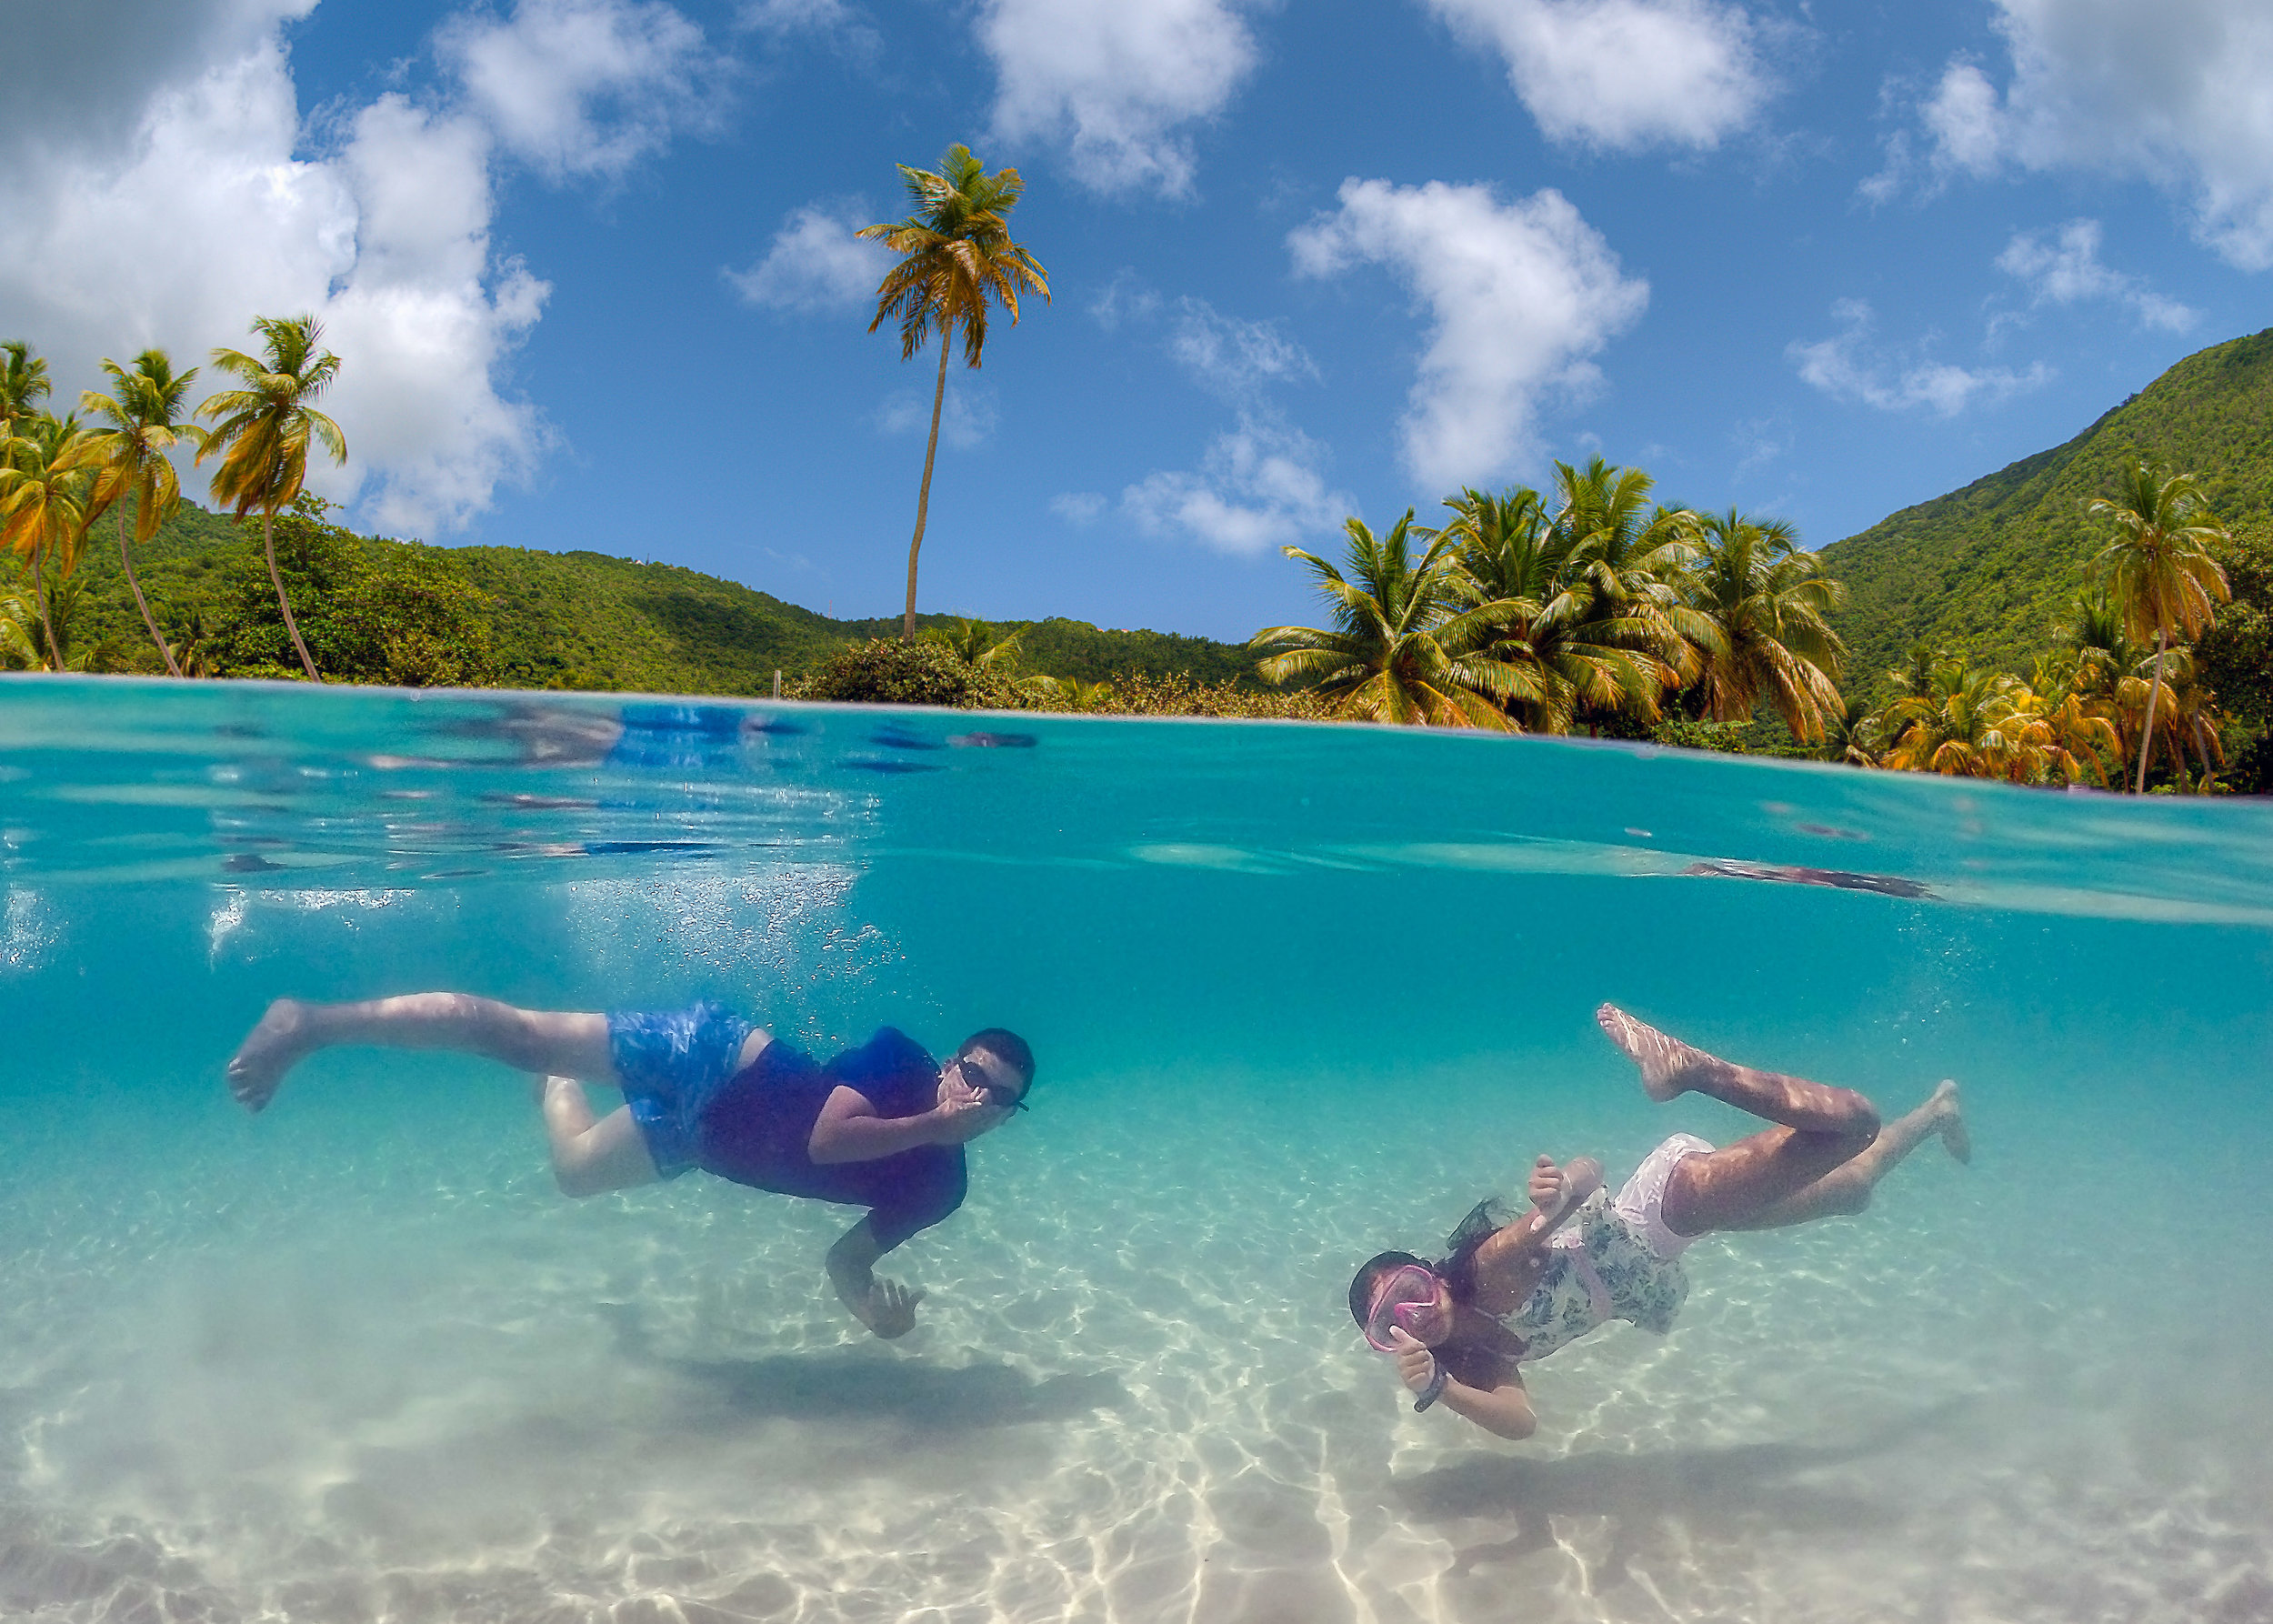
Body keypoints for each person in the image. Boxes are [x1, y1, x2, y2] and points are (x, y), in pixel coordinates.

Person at [226, 994, 1035, 1338]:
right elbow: (828, 1141)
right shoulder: (900, 1060)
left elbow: (847, 1257)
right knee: (522, 1035)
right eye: (973, 1076)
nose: (979, 1101)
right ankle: (312, 1023)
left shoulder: (943, 1188)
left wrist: (871, 1314)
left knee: (574, 1172)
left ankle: (558, 1090)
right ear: (950, 1063)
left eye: (1001, 1101)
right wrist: (937, 1122)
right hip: (715, 1061)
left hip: (705, 1144)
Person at [1348, 1003, 1968, 1439]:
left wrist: (1562, 1191)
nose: (1414, 1315)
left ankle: (1694, 1072)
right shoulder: (1474, 1357)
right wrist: (1439, 1388)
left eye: (1409, 1293)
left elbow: (1590, 1178)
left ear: (1430, 1275)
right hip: (1669, 1247)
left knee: (1851, 1123)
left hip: (1656, 1214)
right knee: (1851, 1188)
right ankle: (1937, 1112)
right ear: (1387, 1343)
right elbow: (1521, 1424)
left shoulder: (1487, 1270)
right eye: (1389, 1321)